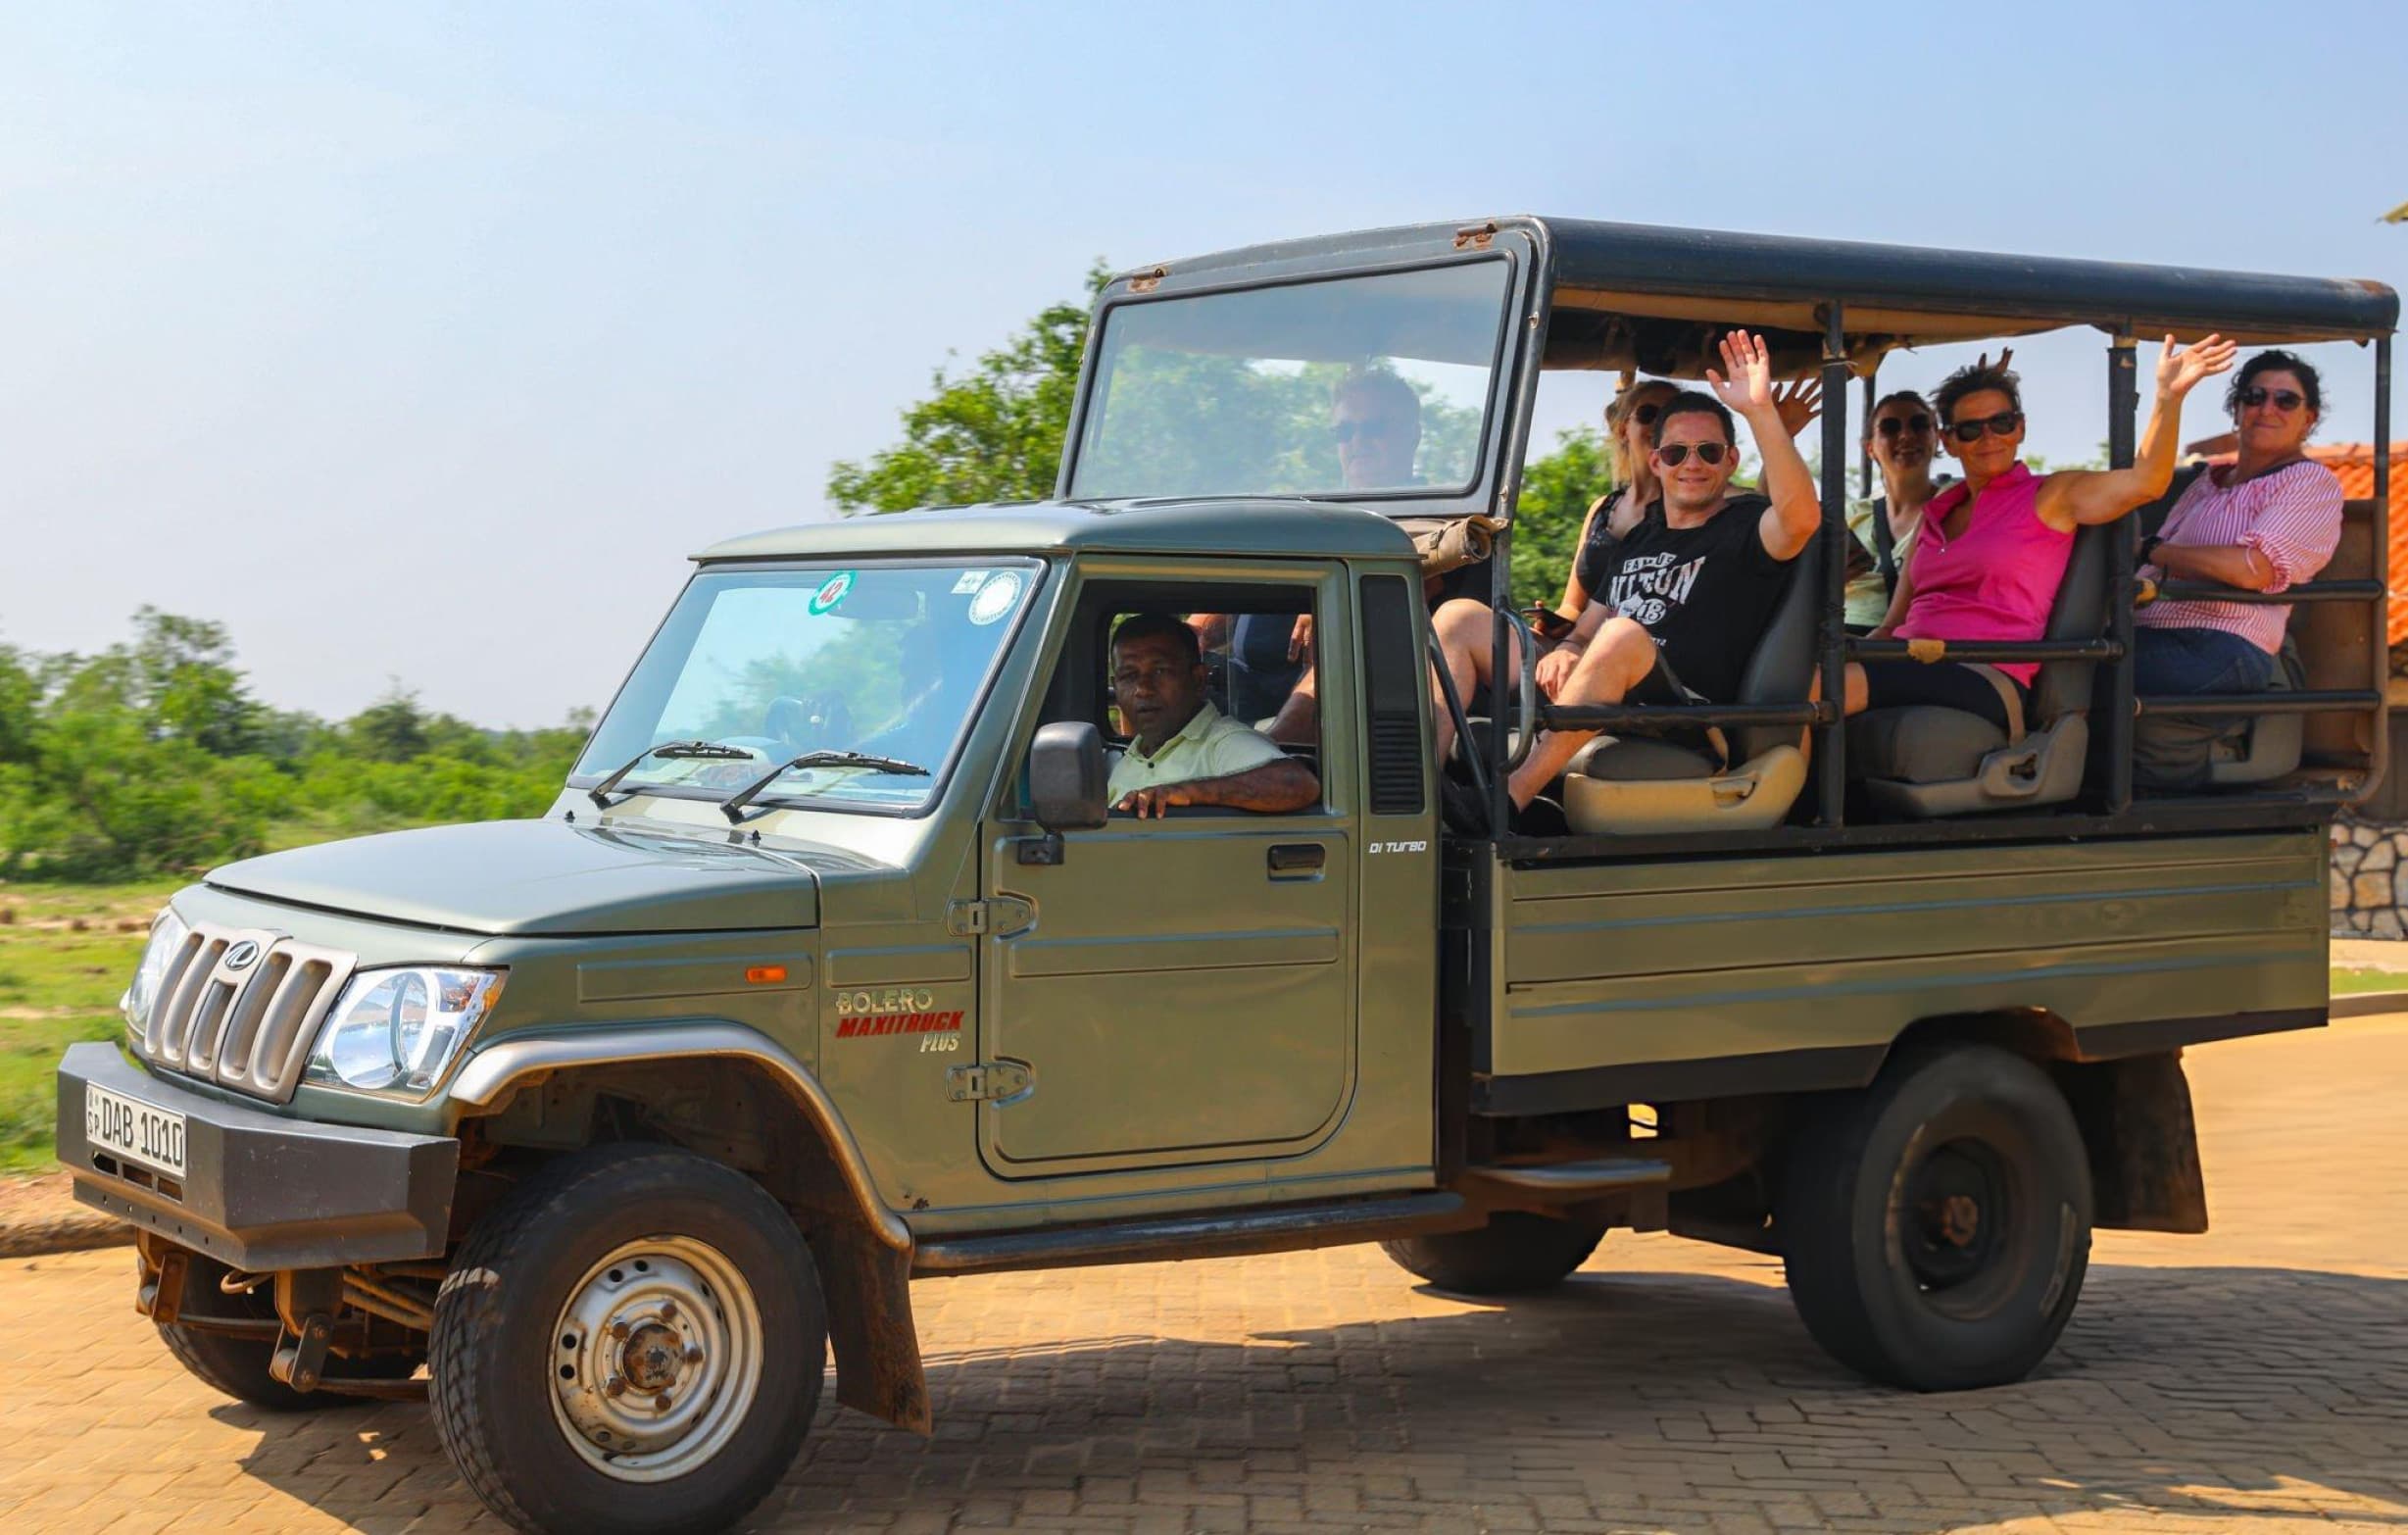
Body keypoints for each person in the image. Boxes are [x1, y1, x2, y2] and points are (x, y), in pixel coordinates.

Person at [1841, 335, 2237, 731]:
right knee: (1796, 676)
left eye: (2001, 423)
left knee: (1824, 687)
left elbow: (2146, 483)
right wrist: (1841, 650)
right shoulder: (1936, 515)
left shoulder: (2051, 495)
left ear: (2020, 428)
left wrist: (2169, 397)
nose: (1990, 438)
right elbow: (1892, 626)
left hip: (1983, 672)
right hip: (1911, 655)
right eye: (1971, 430)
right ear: (1949, 441)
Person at [1503, 331, 1823, 810]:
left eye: (1709, 452)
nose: (1691, 464)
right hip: (1608, 693)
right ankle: (1418, 799)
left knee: (1621, 637)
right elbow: (1584, 629)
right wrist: (1565, 650)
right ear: (1657, 461)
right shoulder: (1639, 537)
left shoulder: (1745, 528)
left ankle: (1507, 798)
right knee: (1461, 620)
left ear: (1730, 460)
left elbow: (1800, 518)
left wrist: (1760, 413)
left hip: (1688, 720)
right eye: (1676, 453)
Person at [2131, 350, 2346, 788]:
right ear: (2237, 409)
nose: (2267, 408)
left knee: (2085, 673)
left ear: (2309, 418)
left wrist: (2155, 551)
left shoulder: (2308, 483)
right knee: (2072, 654)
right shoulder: (2207, 483)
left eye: (2286, 401)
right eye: (2254, 396)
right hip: (2152, 629)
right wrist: (2167, 398)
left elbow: (2255, 569)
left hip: (2220, 646)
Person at [1106, 614, 1321, 817]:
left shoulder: (1222, 742)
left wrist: (1188, 792)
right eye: (1129, 675)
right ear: (1115, 687)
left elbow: (1296, 783)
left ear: (1199, 680)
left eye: (1160, 671)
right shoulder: (1128, 759)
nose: (1142, 689)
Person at [1531, 376, 1678, 642]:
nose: (1660, 423)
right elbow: (1573, 607)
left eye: (1672, 414)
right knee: (1460, 617)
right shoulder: (1603, 509)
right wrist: (1554, 623)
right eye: (1648, 414)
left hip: (1637, 648)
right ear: (1624, 430)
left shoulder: (1688, 508)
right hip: (1581, 643)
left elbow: (1763, 507)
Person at [1843, 389, 1946, 631]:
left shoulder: (1957, 507)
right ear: (1870, 448)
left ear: (1937, 437)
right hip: (1845, 637)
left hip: (1919, 640)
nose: (1906, 435)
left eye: (1919, 425)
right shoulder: (1852, 515)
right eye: (1890, 428)